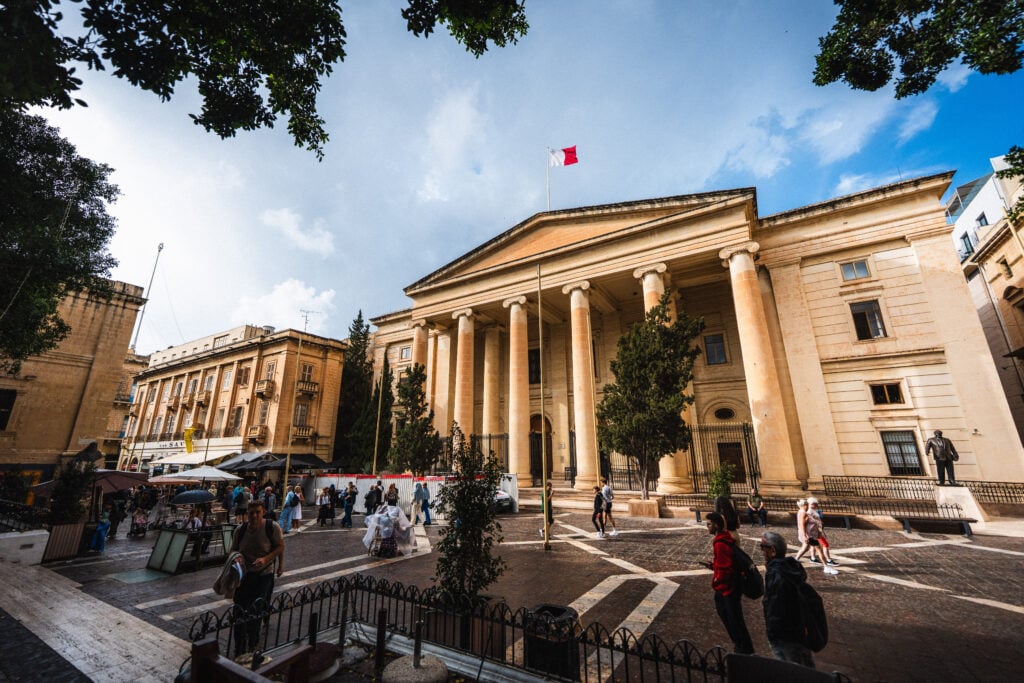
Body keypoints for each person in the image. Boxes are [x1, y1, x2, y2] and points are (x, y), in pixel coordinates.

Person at [228, 500, 285, 657]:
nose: (254, 516)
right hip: (244, 575)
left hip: (264, 573)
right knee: (239, 608)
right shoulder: (240, 530)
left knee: (256, 607)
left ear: (263, 512)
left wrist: (270, 561)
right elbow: (233, 549)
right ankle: (239, 645)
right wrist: (236, 557)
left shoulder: (271, 527)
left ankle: (253, 643)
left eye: (257, 512)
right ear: (247, 513)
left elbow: (280, 546)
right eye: (251, 513)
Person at [759, 531, 816, 668]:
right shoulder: (790, 568)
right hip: (799, 629)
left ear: (772, 551)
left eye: (762, 547)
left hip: (784, 634)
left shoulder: (776, 574)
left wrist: (772, 633)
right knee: (805, 666)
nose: (761, 551)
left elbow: (775, 606)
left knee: (789, 668)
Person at [701, 511, 754, 654]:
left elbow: (726, 569)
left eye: (709, 524)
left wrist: (718, 580)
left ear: (717, 525)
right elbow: (726, 563)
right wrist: (713, 566)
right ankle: (743, 646)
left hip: (726, 589)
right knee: (734, 620)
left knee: (733, 621)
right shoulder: (724, 539)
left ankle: (743, 648)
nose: (707, 527)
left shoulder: (720, 544)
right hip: (729, 588)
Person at [794, 499, 838, 575]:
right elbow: (802, 525)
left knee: (805, 548)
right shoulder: (803, 513)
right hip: (809, 535)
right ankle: (826, 566)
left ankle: (794, 561)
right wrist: (805, 535)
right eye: (807, 505)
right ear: (805, 505)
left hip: (810, 534)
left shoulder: (802, 512)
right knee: (819, 549)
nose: (809, 507)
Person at [807, 498, 839, 567]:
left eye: (815, 504)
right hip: (816, 532)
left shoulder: (813, 511)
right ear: (809, 504)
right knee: (825, 544)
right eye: (813, 504)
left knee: (813, 545)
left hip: (816, 531)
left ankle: (813, 558)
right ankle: (828, 560)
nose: (814, 505)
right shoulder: (809, 512)